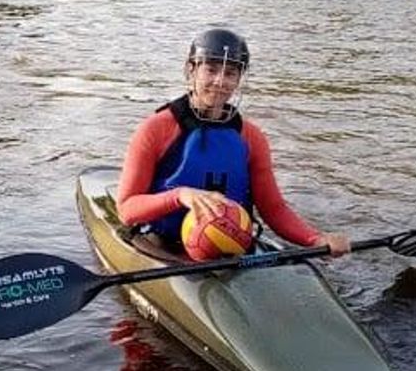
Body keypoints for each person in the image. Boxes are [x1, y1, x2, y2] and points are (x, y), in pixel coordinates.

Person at [116, 25, 351, 257]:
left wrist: (316, 239)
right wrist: (180, 195)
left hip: (232, 249)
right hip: (164, 246)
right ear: (192, 70)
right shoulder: (155, 129)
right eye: (211, 69)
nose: (220, 81)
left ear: (239, 79)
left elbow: (274, 209)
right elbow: (127, 209)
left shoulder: (251, 137)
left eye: (230, 73)